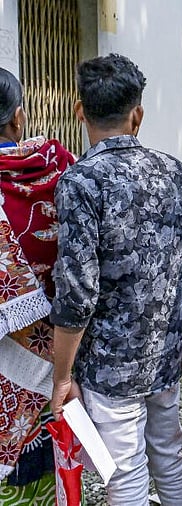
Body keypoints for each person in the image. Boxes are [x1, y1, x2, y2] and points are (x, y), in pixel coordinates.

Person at [49, 54, 182, 505]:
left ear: (79, 111)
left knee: (125, 475)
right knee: (168, 455)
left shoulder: (80, 182)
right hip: (165, 348)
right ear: (137, 115)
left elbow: (77, 294)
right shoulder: (173, 170)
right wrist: (159, 283)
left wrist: (62, 377)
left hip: (110, 362)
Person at [0, 67, 75, 505]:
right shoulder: (58, 167)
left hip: (25, 351)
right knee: (39, 459)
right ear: (18, 118)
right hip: (55, 346)